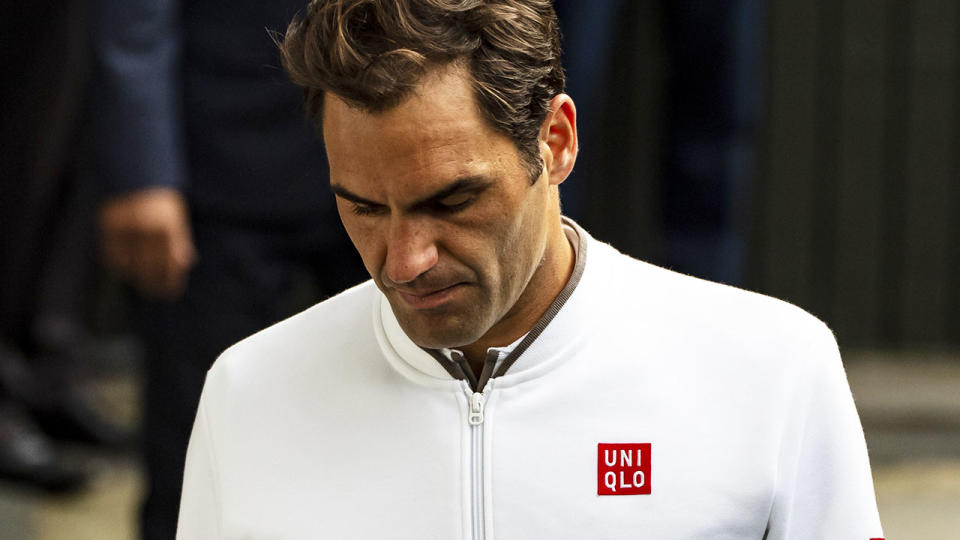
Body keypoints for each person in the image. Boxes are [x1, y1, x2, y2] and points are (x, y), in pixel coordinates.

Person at [177, 1, 884, 538]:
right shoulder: (249, 393)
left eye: (453, 199)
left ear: (557, 141)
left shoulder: (774, 371)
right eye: (363, 207)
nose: (404, 260)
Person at [89, 0, 367, 537]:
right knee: (198, 460)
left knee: (401, 432)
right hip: (218, 166)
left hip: (400, 161)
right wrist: (142, 167)